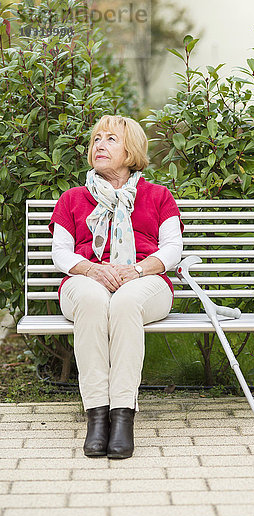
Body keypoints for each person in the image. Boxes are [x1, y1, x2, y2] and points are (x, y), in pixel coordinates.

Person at [49, 115, 183, 459]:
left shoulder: (158, 196)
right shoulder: (73, 198)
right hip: (85, 279)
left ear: (131, 151)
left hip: (144, 280)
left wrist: (137, 270)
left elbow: (172, 249)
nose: (100, 145)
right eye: (96, 139)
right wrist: (91, 270)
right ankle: (97, 416)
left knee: (125, 303)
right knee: (94, 302)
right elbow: (61, 253)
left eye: (111, 139)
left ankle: (123, 415)